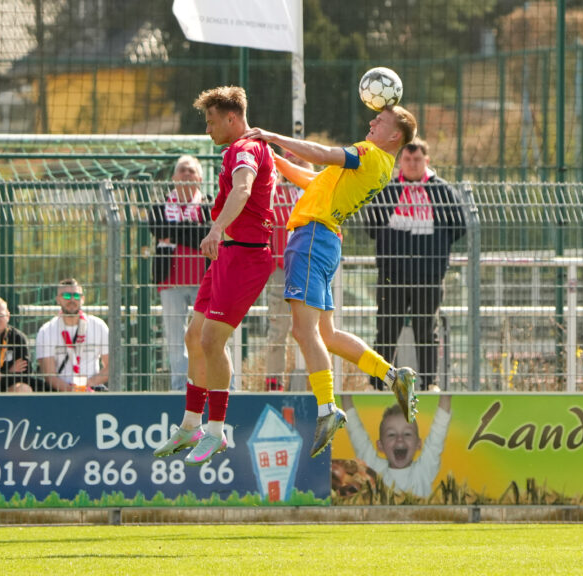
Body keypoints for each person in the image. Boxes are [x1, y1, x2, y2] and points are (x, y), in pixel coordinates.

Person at [241, 104, 420, 458]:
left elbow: (322, 154)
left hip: (310, 239)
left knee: (303, 332)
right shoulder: (380, 165)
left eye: (380, 121)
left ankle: (327, 409)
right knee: (327, 335)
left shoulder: (369, 153)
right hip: (324, 240)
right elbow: (312, 180)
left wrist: (274, 137)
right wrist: (272, 157)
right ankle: (392, 375)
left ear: (395, 135)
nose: (371, 122)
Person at [152, 86, 276, 466]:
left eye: (210, 121)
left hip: (246, 256)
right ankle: (190, 424)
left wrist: (217, 227)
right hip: (228, 255)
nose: (207, 129)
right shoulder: (238, 149)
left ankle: (216, 431)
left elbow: (242, 189)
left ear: (231, 118)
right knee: (194, 336)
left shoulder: (244, 150)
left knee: (210, 339)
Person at [365, 138, 466, 392]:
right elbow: (371, 227)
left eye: (417, 159)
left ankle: (429, 383)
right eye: (407, 159)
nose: (412, 164)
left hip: (429, 274)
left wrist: (434, 249)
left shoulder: (442, 191)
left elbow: (459, 227)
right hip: (392, 273)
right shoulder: (387, 191)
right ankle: (380, 384)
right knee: (386, 330)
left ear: (427, 161)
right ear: (400, 162)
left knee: (426, 330)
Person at [150, 155, 211, 391]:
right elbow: (157, 228)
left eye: (191, 171)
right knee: (176, 340)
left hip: (204, 281)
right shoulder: (159, 206)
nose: (187, 174)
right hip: (170, 281)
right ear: (174, 178)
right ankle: (180, 388)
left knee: (208, 336)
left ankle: (210, 384)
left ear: (200, 178)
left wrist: (174, 233)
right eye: (182, 171)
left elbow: (206, 235)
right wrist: (194, 233)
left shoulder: (209, 205)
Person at [340, 393, 451, 499]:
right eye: (391, 434)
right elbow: (356, 432)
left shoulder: (423, 470)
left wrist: (446, 395)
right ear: (380, 446)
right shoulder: (374, 468)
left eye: (407, 434)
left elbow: (438, 433)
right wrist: (344, 394)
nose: (399, 439)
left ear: (418, 444)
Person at [264, 153, 311, 392]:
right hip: (281, 270)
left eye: (301, 161)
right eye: (291, 161)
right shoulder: (274, 192)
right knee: (278, 329)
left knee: (312, 331)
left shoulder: (317, 189)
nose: (296, 165)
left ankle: (318, 385)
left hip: (310, 269)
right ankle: (274, 385)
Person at [35, 278, 109, 392]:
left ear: (83, 299)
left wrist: (88, 385)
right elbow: (50, 376)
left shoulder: (98, 325)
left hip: (92, 390)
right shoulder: (46, 330)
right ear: (58, 299)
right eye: (67, 296)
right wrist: (72, 390)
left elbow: (110, 367)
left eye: (77, 296)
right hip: (60, 392)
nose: (72, 300)